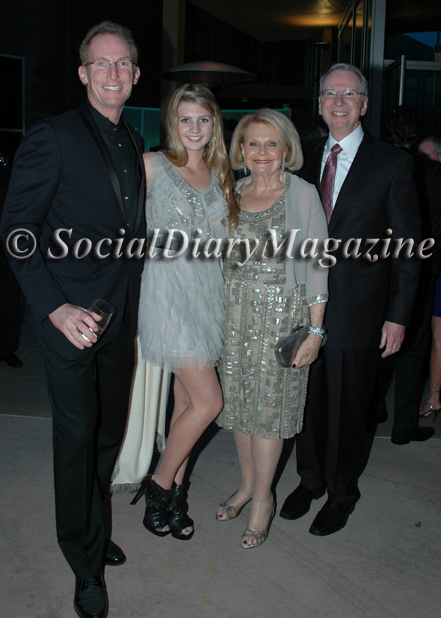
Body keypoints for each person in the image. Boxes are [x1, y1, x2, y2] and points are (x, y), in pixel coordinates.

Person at [0, 21, 145, 618]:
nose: (113, 73)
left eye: (123, 64)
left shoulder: (133, 139)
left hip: (120, 318)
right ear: (83, 73)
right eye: (101, 63)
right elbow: (16, 233)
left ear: (135, 75)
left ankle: (92, 526)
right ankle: (83, 565)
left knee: (109, 433)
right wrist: (56, 309)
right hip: (69, 319)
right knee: (76, 439)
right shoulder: (52, 136)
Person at [280, 63, 421, 536]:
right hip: (301, 305)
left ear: (363, 104)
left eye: (349, 94)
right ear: (319, 103)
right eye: (329, 93)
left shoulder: (393, 163)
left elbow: (406, 250)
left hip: (358, 311)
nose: (338, 101)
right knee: (307, 400)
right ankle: (310, 478)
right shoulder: (302, 154)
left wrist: (397, 317)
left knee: (347, 405)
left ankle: (342, 492)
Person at [216, 109, 328, 549]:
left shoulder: (301, 194)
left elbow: (318, 265)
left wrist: (316, 332)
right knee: (241, 413)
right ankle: (246, 485)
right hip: (234, 320)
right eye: (252, 143)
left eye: (271, 143)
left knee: (268, 419)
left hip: (281, 323)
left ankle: (262, 500)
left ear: (286, 149)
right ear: (240, 149)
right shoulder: (232, 190)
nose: (261, 152)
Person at [130, 84, 235, 542]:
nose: (194, 128)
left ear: (214, 124)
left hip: (209, 293)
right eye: (185, 119)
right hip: (169, 291)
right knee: (210, 401)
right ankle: (158, 485)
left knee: (189, 402)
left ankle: (175, 495)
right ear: (172, 122)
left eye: (203, 119)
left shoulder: (220, 171)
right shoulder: (152, 166)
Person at [379, 105, 441, 442]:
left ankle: (371, 411)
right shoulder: (429, 171)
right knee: (413, 350)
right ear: (415, 134)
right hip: (416, 273)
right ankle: (403, 426)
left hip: (374, 274)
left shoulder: (372, 162)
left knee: (374, 346)